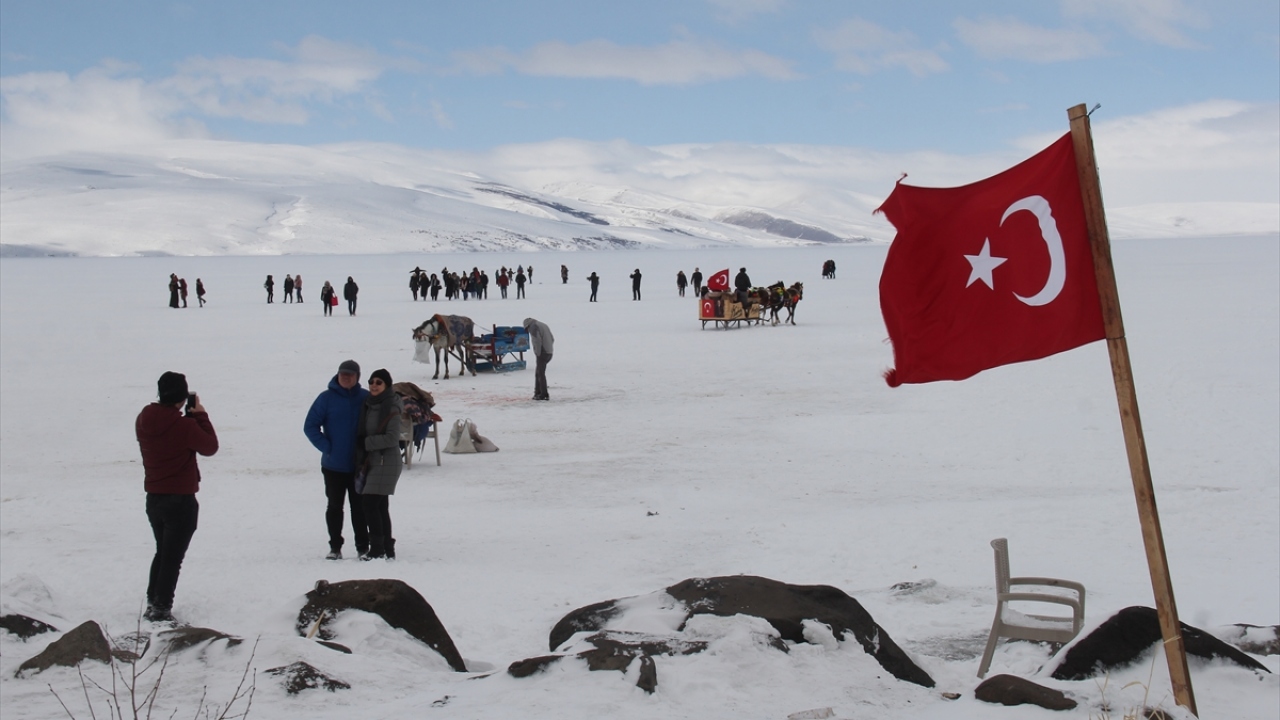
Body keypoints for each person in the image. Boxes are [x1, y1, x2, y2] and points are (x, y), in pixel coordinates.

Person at [136, 372, 219, 623]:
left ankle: (154, 602)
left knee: (163, 552)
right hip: (180, 499)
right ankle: (161, 608)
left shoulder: (144, 418)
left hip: (154, 497)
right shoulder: (185, 426)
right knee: (172, 558)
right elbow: (210, 446)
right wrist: (200, 416)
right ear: (183, 398)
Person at [304, 360, 370, 559]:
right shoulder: (326, 399)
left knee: (359, 508)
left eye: (350, 374)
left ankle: (363, 547)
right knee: (334, 507)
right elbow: (310, 426)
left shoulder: (365, 398)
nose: (346, 377)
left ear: (357, 376)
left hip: (359, 466)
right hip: (333, 466)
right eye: (343, 374)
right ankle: (335, 547)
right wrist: (327, 448)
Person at [357, 368, 403, 560]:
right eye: (371, 382)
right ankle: (387, 549)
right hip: (375, 461)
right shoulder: (369, 404)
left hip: (387, 461)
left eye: (379, 382)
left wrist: (366, 443)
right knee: (380, 506)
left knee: (369, 503)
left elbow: (392, 438)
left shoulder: (391, 407)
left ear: (387, 385)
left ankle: (377, 549)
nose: (374, 386)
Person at [523, 318, 554, 401]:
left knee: (540, 374)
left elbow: (537, 341)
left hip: (542, 353)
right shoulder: (543, 324)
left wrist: (538, 353)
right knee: (538, 373)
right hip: (549, 352)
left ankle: (543, 394)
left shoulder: (533, 327)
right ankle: (538, 392)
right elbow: (552, 338)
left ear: (527, 326)